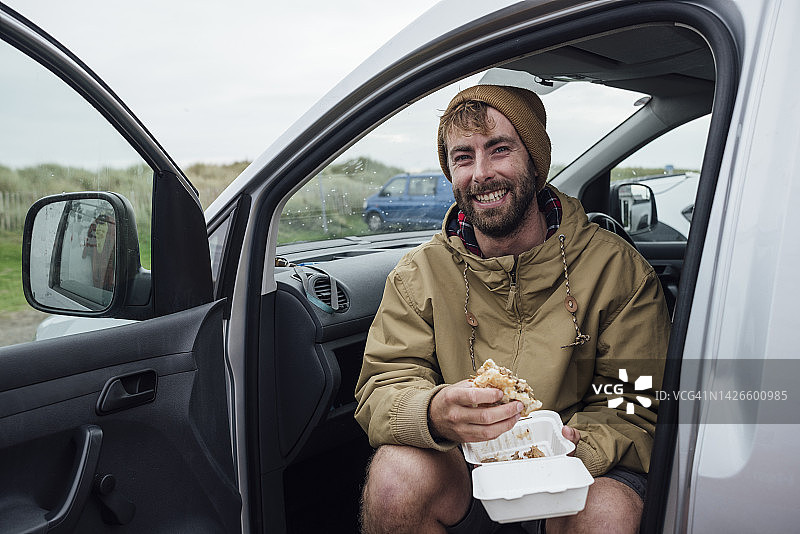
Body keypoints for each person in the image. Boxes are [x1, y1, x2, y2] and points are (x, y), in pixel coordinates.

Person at [354, 84, 670, 534]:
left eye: (499, 150)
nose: (481, 173)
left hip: (574, 476)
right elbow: (383, 384)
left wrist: (571, 449)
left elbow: (635, 403)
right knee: (394, 478)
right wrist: (433, 412)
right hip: (467, 469)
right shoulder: (419, 274)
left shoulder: (618, 271)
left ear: (535, 163)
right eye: (463, 157)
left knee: (608, 513)